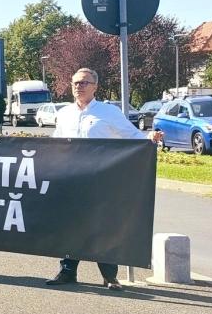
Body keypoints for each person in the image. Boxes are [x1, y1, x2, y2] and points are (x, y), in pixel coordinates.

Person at [44, 68, 164, 291]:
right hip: (72, 179)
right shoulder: (65, 113)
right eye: (75, 83)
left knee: (102, 227)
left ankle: (110, 276)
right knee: (71, 226)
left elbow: (132, 136)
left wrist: (150, 138)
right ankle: (67, 272)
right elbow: (56, 143)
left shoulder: (109, 112)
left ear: (95, 86)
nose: (78, 86)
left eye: (84, 83)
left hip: (101, 181)